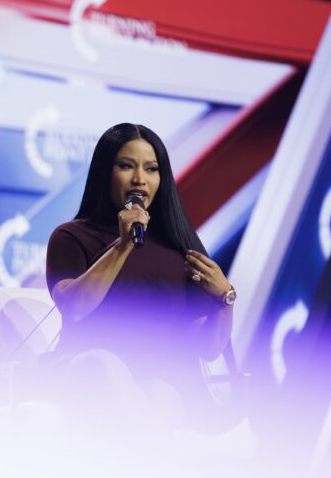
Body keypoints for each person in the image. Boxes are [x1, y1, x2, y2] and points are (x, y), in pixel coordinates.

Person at [44, 123, 236, 431]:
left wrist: (225, 299)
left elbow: (208, 348)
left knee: (164, 395)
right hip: (85, 370)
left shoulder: (178, 249)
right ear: (104, 173)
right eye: (126, 166)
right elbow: (75, 307)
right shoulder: (71, 236)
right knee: (105, 365)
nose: (139, 179)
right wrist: (123, 246)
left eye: (151, 169)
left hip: (154, 382)